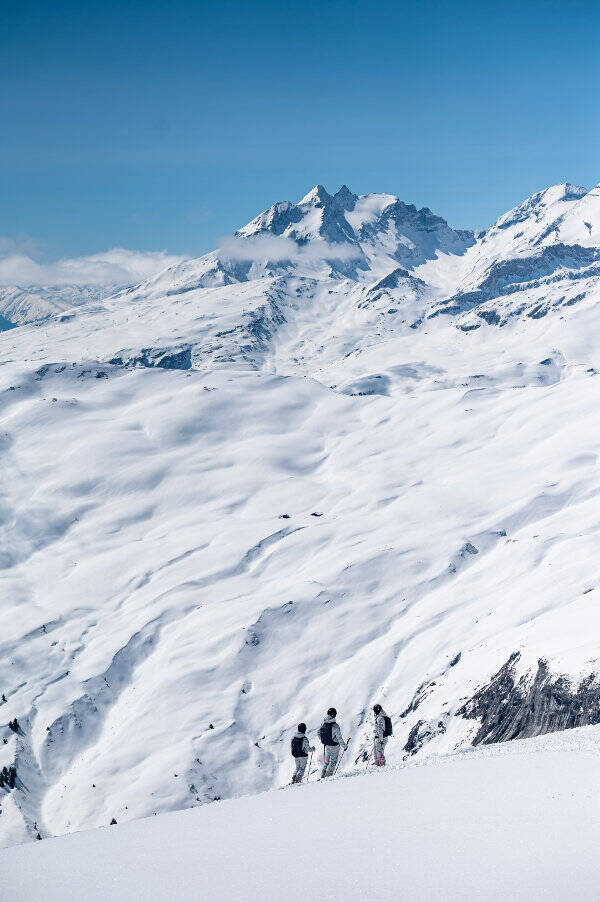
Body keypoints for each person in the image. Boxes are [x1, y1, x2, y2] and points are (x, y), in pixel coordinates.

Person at [319, 707, 348, 778]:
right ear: (334, 715)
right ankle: (327, 777)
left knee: (326, 763)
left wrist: (323, 740)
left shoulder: (323, 723)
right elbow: (340, 739)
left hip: (327, 745)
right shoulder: (335, 726)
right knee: (333, 762)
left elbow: (318, 733)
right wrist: (345, 746)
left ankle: (322, 777)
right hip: (334, 746)